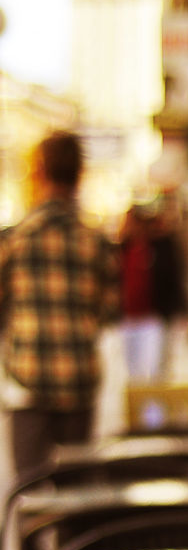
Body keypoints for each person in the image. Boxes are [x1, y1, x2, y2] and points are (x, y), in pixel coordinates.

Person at [0, 130, 121, 478]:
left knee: (31, 501)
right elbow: (110, 312)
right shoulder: (96, 242)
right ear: (79, 175)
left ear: (37, 172)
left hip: (27, 386)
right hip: (79, 386)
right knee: (74, 499)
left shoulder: (15, 239)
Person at [118, 197, 188, 382]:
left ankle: (154, 410)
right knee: (134, 371)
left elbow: (176, 278)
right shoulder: (123, 248)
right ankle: (136, 406)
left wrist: (185, 311)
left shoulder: (161, 246)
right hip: (128, 318)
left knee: (156, 370)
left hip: (154, 318)